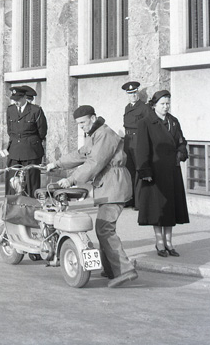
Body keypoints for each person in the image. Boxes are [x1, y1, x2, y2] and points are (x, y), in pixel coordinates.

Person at [47, 105, 137, 288]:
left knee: (105, 228)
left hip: (114, 185)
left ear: (93, 118)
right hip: (108, 186)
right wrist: (57, 164)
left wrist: (71, 180)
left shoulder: (105, 134)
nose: (81, 126)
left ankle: (125, 270)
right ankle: (111, 269)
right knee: (103, 227)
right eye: (78, 124)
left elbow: (94, 163)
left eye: (83, 122)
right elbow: (81, 154)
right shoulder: (95, 134)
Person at [135, 89, 189, 257]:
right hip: (155, 172)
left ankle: (169, 242)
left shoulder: (174, 121)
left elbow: (181, 141)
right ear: (154, 105)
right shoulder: (145, 123)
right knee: (158, 208)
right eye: (162, 104)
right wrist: (145, 171)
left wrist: (180, 153)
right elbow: (141, 149)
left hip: (172, 170)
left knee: (170, 207)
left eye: (168, 103)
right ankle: (160, 242)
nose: (166, 107)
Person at [4, 86, 47, 196]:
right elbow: (10, 130)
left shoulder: (35, 110)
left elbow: (42, 131)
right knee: (12, 180)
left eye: (18, 100)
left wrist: (30, 142)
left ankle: (30, 203)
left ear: (24, 97)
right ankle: (12, 203)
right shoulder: (10, 110)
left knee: (31, 181)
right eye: (14, 100)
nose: (16, 102)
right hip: (14, 150)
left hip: (31, 151)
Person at [121, 80, 150, 208]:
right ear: (127, 95)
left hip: (138, 140)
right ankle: (130, 199)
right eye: (130, 93)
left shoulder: (144, 108)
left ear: (137, 93)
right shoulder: (127, 107)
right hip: (128, 140)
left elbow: (148, 126)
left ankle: (139, 202)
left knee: (139, 170)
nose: (133, 95)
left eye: (134, 92)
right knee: (129, 170)